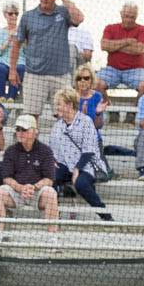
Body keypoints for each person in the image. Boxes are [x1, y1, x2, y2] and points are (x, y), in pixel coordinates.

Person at [10, 0, 84, 122]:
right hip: (34, 75)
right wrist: (12, 70)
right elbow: (16, 44)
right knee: (30, 118)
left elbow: (79, 18)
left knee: (65, 117)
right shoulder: (28, 16)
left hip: (60, 75)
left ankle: (63, 144)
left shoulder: (63, 13)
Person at [0, 114, 59, 235]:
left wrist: (34, 187)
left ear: (35, 132)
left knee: (51, 193)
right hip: (16, 192)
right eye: (18, 129)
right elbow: (6, 178)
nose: (20, 132)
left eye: (24, 129)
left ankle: (53, 238)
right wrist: (21, 188)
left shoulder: (46, 150)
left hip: (38, 192)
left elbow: (49, 179)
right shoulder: (10, 151)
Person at [50, 88, 112, 221]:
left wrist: (77, 169)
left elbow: (89, 150)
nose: (57, 108)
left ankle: (106, 217)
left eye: (59, 104)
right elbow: (53, 150)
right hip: (65, 165)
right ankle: (53, 215)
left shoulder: (86, 121)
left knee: (81, 184)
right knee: (51, 177)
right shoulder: (57, 126)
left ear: (69, 105)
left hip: (86, 165)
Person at [96, 3, 144, 97]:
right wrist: (128, 41)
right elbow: (104, 46)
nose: (129, 20)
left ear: (136, 16)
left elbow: (139, 49)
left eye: (132, 17)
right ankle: (105, 107)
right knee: (95, 83)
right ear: (121, 14)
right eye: (126, 16)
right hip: (112, 69)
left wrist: (114, 46)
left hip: (136, 70)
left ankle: (137, 111)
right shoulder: (110, 28)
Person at [0, 1, 25, 101]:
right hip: (0, 62)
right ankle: (1, 97)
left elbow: (28, 54)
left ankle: (11, 97)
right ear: (5, 15)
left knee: (20, 68)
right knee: (1, 69)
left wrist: (25, 43)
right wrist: (9, 39)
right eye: (10, 13)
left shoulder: (23, 32)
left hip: (19, 61)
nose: (13, 16)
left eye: (16, 14)